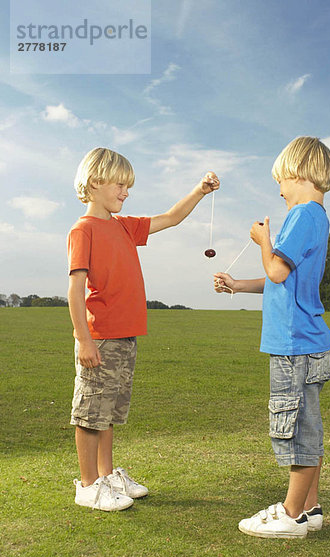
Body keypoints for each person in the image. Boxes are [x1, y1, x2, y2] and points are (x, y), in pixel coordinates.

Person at [67, 147, 219, 511]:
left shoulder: (123, 226)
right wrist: (83, 339)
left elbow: (170, 218)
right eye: (120, 184)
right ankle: (88, 485)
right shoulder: (82, 229)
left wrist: (200, 190)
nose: (125, 192)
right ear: (94, 182)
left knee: (109, 412)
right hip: (99, 337)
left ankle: (106, 475)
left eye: (127, 186)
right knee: (90, 412)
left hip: (125, 336)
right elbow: (75, 288)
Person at [214, 136, 330, 538]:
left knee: (298, 426)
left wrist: (263, 239)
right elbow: (280, 282)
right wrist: (236, 285)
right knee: (310, 424)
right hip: (308, 340)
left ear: (298, 174)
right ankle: (309, 508)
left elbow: (277, 271)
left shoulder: (302, 216)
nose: (279, 191)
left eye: (280, 182)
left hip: (294, 344)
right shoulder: (316, 217)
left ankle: (289, 514)